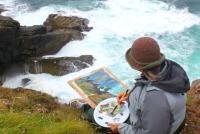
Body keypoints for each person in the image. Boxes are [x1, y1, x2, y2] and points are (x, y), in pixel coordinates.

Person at [108, 37, 190, 134]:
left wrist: (120, 128)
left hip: (163, 129)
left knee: (95, 116)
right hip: (172, 120)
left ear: (138, 66)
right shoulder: (169, 69)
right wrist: (129, 96)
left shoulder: (155, 98)